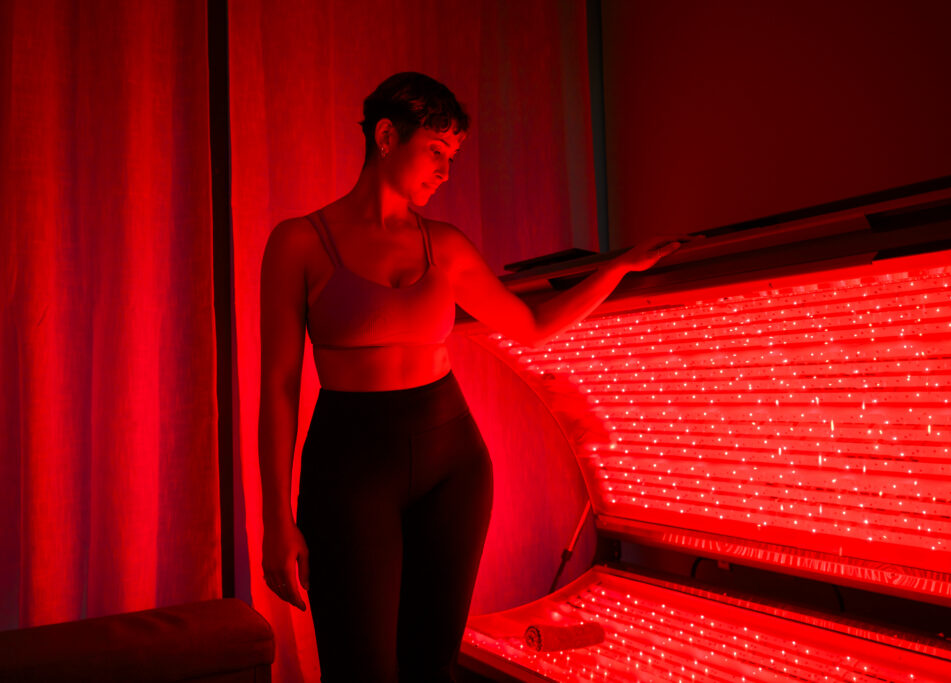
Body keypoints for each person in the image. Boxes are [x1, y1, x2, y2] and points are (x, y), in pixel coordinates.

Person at [258, 71, 681, 682]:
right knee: (360, 669)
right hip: (349, 468)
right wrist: (276, 520)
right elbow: (277, 387)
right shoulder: (299, 242)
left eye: (452, 156)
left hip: (452, 465)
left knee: (431, 667)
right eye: (435, 151)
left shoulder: (446, 246)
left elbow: (531, 325)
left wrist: (618, 268)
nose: (446, 171)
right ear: (385, 136)